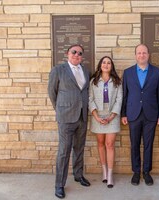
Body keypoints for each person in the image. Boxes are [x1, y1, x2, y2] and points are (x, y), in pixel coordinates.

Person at [48, 44, 91, 199]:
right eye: (74, 52)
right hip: (66, 117)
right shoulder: (58, 70)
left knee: (79, 148)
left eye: (80, 53)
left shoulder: (85, 71)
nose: (76, 54)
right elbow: (52, 93)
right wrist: (60, 109)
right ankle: (59, 184)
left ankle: (78, 175)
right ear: (67, 53)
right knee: (64, 151)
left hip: (82, 116)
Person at [121, 44, 159, 186]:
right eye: (139, 53)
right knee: (134, 144)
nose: (141, 55)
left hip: (151, 114)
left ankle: (146, 172)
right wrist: (123, 114)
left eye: (144, 53)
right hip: (133, 114)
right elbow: (124, 95)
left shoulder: (157, 72)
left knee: (148, 144)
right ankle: (136, 171)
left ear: (148, 55)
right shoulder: (127, 73)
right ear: (135, 55)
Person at [89, 56, 123, 188]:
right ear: (100, 65)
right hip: (97, 116)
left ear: (112, 66)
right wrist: (96, 116)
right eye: (104, 62)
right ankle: (103, 171)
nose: (106, 65)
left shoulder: (117, 82)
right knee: (101, 143)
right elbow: (90, 99)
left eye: (109, 63)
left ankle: (110, 174)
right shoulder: (94, 81)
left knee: (110, 144)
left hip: (112, 117)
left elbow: (119, 100)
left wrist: (111, 116)